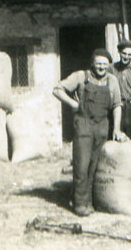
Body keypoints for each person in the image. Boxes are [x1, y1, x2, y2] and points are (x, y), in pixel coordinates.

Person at [53, 48, 126, 216]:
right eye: (98, 63)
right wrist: (73, 104)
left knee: (94, 166)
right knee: (81, 165)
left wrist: (116, 128)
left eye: (104, 64)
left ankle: (89, 202)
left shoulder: (112, 80)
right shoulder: (81, 76)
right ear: (92, 63)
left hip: (102, 126)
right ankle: (79, 203)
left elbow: (117, 105)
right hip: (84, 125)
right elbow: (57, 89)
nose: (101, 67)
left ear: (108, 65)